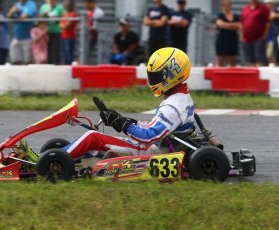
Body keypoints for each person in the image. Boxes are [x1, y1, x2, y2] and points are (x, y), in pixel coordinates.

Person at [61, 47, 195, 161]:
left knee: (92, 137)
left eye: (157, 77)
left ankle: (51, 159)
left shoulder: (172, 107)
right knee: (94, 140)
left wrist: (123, 124)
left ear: (171, 75)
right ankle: (58, 155)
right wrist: (127, 121)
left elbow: (149, 137)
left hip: (148, 153)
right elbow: (156, 128)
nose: (153, 81)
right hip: (155, 147)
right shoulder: (181, 98)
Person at [240, 0, 271, 66]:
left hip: (259, 38)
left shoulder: (263, 9)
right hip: (247, 39)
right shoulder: (245, 9)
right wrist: (241, 35)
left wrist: (264, 36)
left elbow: (268, 23)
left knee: (260, 59)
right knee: (249, 60)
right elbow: (242, 22)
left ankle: (261, 75)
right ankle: (251, 75)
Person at [7, 0, 37, 65]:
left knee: (28, 61)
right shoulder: (17, 4)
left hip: (27, 36)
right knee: (16, 60)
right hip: (17, 37)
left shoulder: (31, 4)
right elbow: (9, 16)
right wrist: (12, 11)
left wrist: (18, 12)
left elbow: (24, 16)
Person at [215, 0, 240, 67]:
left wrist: (226, 25)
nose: (226, 6)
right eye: (224, 5)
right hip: (222, 40)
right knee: (220, 61)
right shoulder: (220, 15)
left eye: (228, 5)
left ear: (230, 5)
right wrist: (232, 25)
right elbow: (220, 24)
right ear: (222, 6)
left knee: (233, 61)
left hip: (233, 40)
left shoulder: (236, 16)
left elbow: (239, 25)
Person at [39, 0, 64, 65]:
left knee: (56, 48)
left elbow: (63, 18)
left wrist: (58, 20)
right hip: (46, 31)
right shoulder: (43, 7)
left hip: (57, 31)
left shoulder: (59, 7)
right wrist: (44, 13)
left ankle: (57, 64)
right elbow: (39, 19)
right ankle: (49, 64)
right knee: (48, 49)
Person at [60, 0, 78, 65]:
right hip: (63, 37)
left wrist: (63, 25)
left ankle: (70, 68)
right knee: (65, 54)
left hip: (70, 37)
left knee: (69, 54)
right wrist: (63, 25)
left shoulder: (73, 14)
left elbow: (66, 26)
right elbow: (60, 25)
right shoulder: (64, 14)